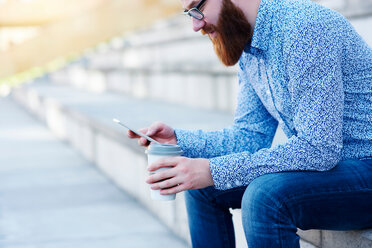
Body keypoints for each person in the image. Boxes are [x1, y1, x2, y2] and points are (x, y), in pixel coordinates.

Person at [128, 0, 372, 247]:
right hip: (333, 170)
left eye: (197, 8)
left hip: (365, 165)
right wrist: (179, 141)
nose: (195, 25)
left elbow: (318, 149)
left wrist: (213, 170)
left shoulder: (305, 27)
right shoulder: (249, 43)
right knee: (201, 187)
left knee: (264, 196)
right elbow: (250, 136)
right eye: (189, 14)